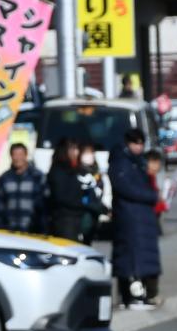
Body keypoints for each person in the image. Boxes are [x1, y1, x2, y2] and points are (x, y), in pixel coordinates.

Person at [109, 127, 162, 309]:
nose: (139, 147)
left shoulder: (137, 161)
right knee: (131, 259)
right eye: (135, 143)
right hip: (130, 217)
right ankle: (132, 296)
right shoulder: (122, 162)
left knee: (137, 258)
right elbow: (126, 188)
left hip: (140, 217)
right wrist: (151, 196)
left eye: (141, 143)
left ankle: (137, 295)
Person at [46, 139, 105, 244]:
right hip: (65, 220)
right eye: (73, 149)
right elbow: (64, 198)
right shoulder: (60, 171)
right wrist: (87, 205)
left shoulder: (72, 171)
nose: (76, 152)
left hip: (75, 219)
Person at [0, 141, 47, 234]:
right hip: (10, 229)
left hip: (32, 229)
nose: (17, 158)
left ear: (26, 155)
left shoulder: (37, 176)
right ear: (11, 156)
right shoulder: (5, 178)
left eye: (20, 154)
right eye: (15, 155)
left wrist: (43, 226)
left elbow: (44, 204)